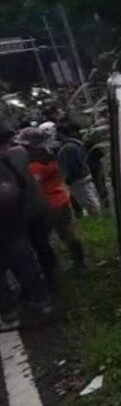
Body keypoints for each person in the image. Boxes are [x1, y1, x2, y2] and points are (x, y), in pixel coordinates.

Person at [0, 123, 54, 330]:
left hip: (9, 221)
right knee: (24, 261)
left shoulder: (15, 154)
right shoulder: (19, 153)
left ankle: (10, 314)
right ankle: (42, 302)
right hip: (16, 220)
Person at [20, 126, 86, 275]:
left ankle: (53, 272)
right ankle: (80, 263)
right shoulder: (49, 154)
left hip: (47, 205)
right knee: (69, 232)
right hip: (61, 198)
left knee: (42, 240)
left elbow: (34, 186)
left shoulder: (35, 164)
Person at [54, 121, 102, 217]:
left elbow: (72, 167)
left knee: (89, 202)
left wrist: (68, 179)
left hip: (78, 179)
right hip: (83, 176)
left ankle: (98, 219)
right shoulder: (74, 144)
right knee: (91, 199)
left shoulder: (68, 147)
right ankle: (98, 218)